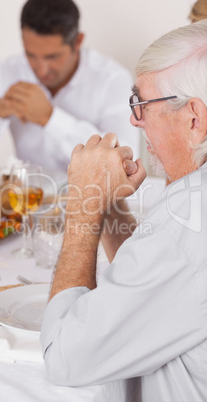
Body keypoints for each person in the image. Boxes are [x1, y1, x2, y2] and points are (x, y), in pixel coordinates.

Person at [40, 20, 207, 401]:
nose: (135, 120)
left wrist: (83, 204)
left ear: (194, 118)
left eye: (142, 104)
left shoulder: (190, 216)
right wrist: (108, 203)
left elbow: (64, 357)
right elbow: (147, 287)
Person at [0, 0, 139, 172]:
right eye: (31, 55)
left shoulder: (112, 79)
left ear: (78, 42)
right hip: (25, 199)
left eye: (53, 57)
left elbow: (126, 160)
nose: (41, 70)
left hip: (93, 200)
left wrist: (50, 118)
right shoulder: (6, 73)